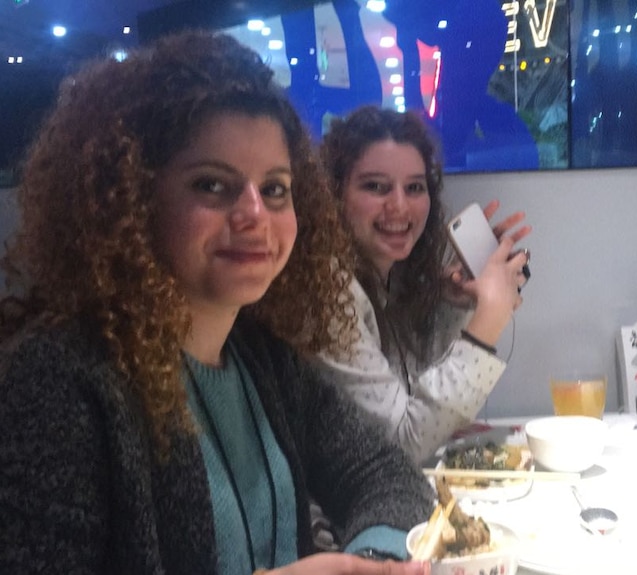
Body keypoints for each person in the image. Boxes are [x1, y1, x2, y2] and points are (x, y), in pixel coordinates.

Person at [0, 30, 435, 575]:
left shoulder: (265, 357)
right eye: (212, 185)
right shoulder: (56, 381)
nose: (254, 214)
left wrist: (370, 560)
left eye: (275, 188)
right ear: (132, 200)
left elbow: (385, 471)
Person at [317, 106, 531, 463]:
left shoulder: (392, 277)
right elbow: (403, 444)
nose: (399, 206)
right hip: (334, 515)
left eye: (414, 187)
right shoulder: (329, 292)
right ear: (334, 195)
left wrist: (455, 303)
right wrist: (486, 325)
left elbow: (419, 398)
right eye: (375, 186)